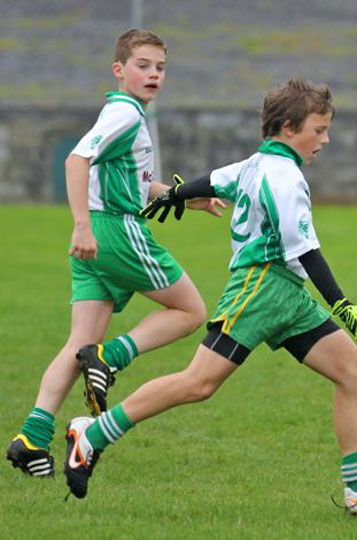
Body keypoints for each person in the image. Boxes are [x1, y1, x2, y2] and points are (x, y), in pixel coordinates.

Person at [63, 78, 357, 514]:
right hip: (259, 290)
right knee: (198, 383)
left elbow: (213, 181)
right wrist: (340, 303)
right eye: (319, 128)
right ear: (290, 127)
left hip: (287, 295)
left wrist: (175, 194)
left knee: (352, 373)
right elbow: (304, 248)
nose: (325, 140)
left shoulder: (256, 164)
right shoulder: (283, 176)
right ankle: (92, 436)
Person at [6, 28, 224, 477]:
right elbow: (75, 161)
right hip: (114, 232)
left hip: (96, 239)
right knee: (190, 310)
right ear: (119, 70)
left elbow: (137, 185)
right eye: (143, 66)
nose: (153, 75)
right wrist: (83, 226)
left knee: (78, 343)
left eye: (160, 68)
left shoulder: (122, 114)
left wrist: (185, 198)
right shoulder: (124, 115)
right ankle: (113, 357)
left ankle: (31, 436)